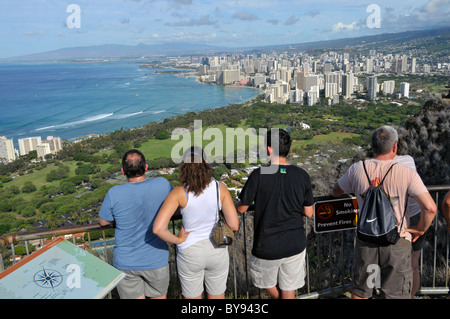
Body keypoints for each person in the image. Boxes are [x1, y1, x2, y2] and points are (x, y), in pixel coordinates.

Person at [332, 126, 437, 299]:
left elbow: (336, 191)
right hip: (396, 238)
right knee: (396, 293)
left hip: (365, 237)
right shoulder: (406, 172)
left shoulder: (357, 169)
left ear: (373, 146)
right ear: (395, 147)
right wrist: (420, 229)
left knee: (361, 291)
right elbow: (430, 208)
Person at [153, 146, 239, 299]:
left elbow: (158, 229)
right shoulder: (220, 188)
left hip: (190, 252)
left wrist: (178, 240)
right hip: (216, 249)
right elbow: (234, 225)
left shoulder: (179, 192)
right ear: (206, 163)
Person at [237, 128, 314, 299]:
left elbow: (242, 208)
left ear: (270, 150)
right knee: (289, 287)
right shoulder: (302, 175)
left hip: (267, 244)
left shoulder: (259, 174)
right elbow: (309, 213)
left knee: (265, 282)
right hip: (294, 242)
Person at [98, 149, 173, 299]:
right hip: (156, 258)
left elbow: (103, 221)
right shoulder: (162, 184)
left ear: (122, 171)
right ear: (146, 167)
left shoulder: (114, 192)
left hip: (126, 261)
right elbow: (175, 207)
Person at [393, 153, 425, 298]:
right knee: (413, 265)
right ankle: (411, 296)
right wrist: (421, 227)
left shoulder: (378, 165)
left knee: (394, 266)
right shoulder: (409, 159)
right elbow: (430, 208)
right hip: (416, 215)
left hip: (396, 220)